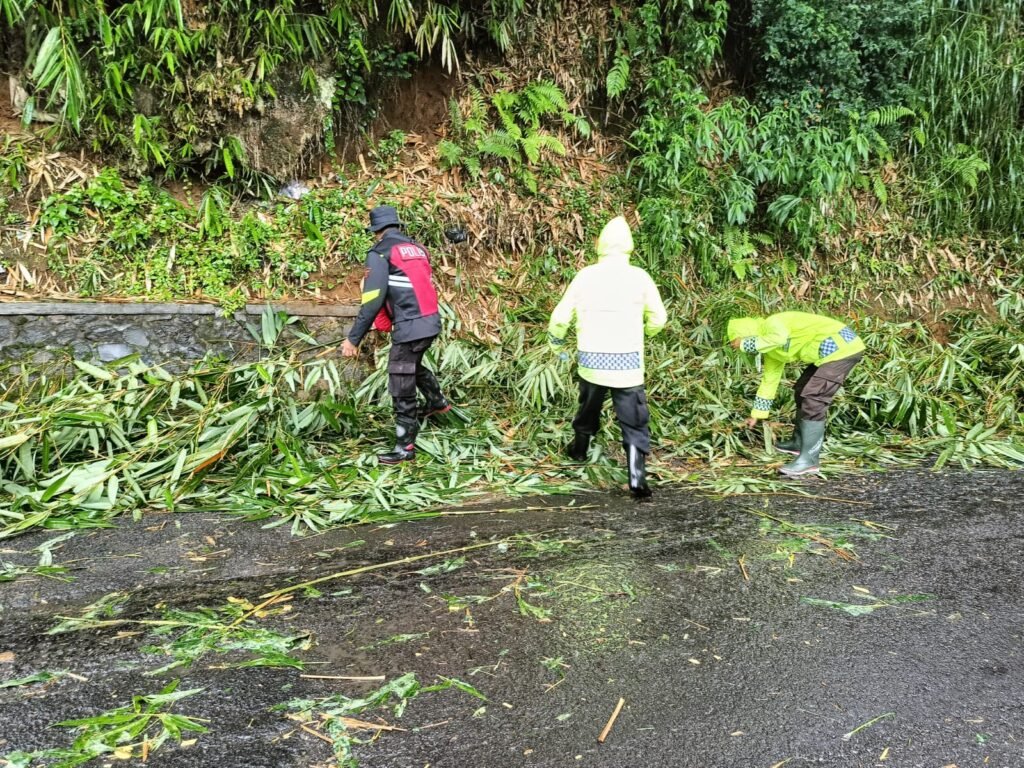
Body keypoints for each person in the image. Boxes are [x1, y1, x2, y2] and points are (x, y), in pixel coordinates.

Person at [548, 215, 667, 498]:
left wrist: (556, 343)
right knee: (634, 419)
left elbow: (560, 317)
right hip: (627, 364)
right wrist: (647, 333)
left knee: (588, 407)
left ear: (599, 245)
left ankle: (578, 451)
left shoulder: (586, 275)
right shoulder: (639, 277)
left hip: (591, 362)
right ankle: (637, 478)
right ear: (629, 246)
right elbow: (659, 317)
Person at [342, 205, 450, 464]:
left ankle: (405, 448)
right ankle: (437, 402)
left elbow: (371, 299)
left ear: (376, 231)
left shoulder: (380, 253)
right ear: (396, 226)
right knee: (412, 364)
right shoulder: (418, 249)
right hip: (431, 322)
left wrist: (353, 338)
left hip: (411, 327)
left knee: (401, 380)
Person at [726, 311, 865, 476]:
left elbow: (779, 338)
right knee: (802, 390)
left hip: (843, 346)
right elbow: (769, 381)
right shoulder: (772, 351)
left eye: (741, 340)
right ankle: (799, 443)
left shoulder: (772, 322)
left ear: (750, 334)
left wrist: (743, 344)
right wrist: (756, 414)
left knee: (814, 397)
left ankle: (810, 460)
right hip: (827, 355)